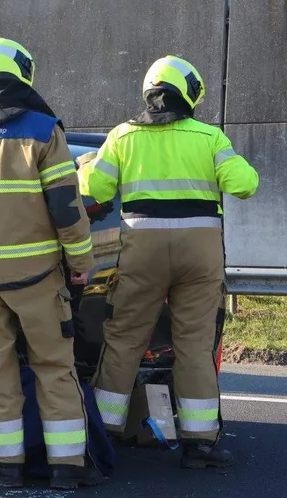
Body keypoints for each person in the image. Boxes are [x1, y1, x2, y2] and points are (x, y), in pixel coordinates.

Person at [0, 37, 103, 490]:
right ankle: (68, 468)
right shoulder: (43, 131)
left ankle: (3, 468)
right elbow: (67, 208)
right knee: (53, 367)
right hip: (38, 279)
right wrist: (80, 262)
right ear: (22, 72)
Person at [79, 55, 259, 469]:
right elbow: (245, 184)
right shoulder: (209, 137)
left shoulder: (123, 136)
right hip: (200, 254)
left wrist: (89, 164)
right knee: (194, 345)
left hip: (141, 250)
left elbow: (94, 188)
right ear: (189, 94)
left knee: (124, 339)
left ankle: (101, 438)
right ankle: (199, 445)